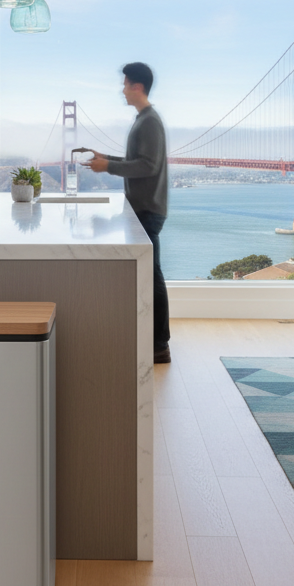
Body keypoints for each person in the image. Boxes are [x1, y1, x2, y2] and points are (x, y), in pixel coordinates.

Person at [85, 62, 172, 364]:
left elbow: (148, 166)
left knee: (152, 274)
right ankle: (155, 341)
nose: (121, 90)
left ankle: (159, 345)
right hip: (144, 208)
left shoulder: (149, 122)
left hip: (148, 209)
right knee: (150, 273)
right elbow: (139, 160)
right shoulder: (144, 119)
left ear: (137, 86)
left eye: (125, 84)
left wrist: (107, 166)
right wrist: (105, 158)